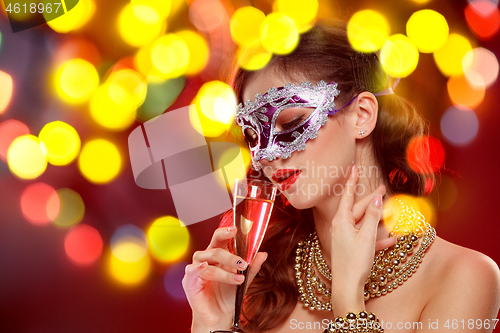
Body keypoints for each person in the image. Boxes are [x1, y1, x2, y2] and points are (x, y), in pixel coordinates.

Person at [182, 19, 500, 333]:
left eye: (291, 122)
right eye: (253, 136)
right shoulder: (264, 280)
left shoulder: (465, 276)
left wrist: (348, 303)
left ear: (362, 115)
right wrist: (215, 324)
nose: (268, 155)